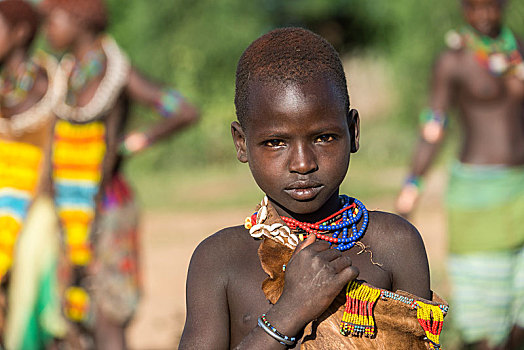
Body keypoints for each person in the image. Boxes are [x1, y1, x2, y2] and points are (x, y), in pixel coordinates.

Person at [180, 27, 448, 350]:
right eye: (276, 143)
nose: (303, 163)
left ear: (353, 131)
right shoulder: (218, 261)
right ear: (241, 144)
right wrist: (291, 310)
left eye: (324, 137)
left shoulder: (395, 245)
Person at [38, 0, 200, 348]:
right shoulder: (67, 74)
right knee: (65, 318)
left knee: (108, 319)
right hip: (63, 213)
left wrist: (133, 142)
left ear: (80, 20)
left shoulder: (117, 71)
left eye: (55, 17)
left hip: (108, 210)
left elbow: (182, 109)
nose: (48, 27)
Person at [395, 0, 524, 349]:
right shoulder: (454, 61)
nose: (484, 15)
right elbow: (433, 128)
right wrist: (412, 187)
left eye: (491, 6)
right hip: (479, 197)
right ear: (463, 9)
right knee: (484, 328)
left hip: (521, 189)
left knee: (520, 322)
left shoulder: (518, 52)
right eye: (474, 7)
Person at [0, 1, 66, 349]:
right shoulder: (7, 84)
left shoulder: (45, 81)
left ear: (20, 32)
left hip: (37, 210)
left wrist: (127, 146)